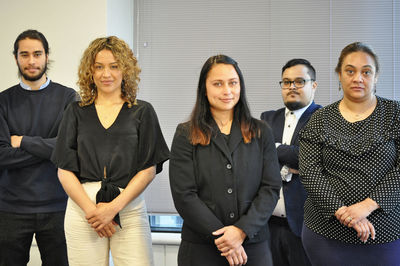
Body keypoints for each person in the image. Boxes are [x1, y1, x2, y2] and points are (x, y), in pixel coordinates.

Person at [51, 36, 169, 266]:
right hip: (83, 209)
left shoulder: (142, 112)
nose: (106, 74)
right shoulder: (75, 111)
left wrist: (113, 208)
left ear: (125, 69)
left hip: (129, 207)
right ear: (90, 71)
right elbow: (64, 170)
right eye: (99, 67)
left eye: (114, 66)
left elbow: (148, 170)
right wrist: (93, 213)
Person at [169, 54, 281, 266]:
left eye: (233, 83)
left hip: (253, 245)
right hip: (201, 248)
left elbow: (270, 188)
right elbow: (184, 195)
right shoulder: (186, 133)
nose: (227, 91)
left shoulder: (261, 131)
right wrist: (224, 238)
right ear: (204, 88)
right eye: (218, 84)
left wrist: (241, 231)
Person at [299, 42, 400, 266]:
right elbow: (309, 172)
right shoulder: (319, 119)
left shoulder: (395, 114)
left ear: (376, 77)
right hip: (325, 234)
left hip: (385, 233)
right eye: (350, 71)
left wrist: (366, 206)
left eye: (366, 71)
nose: (358, 78)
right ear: (339, 75)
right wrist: (343, 212)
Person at [0, 29, 76, 266]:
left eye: (37, 54)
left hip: (58, 206)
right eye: (24, 54)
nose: (31, 61)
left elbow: (68, 151)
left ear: (46, 56)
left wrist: (23, 141)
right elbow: (2, 155)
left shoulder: (68, 98)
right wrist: (49, 149)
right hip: (10, 208)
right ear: (16, 58)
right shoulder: (3, 101)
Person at [260, 58, 321, 266]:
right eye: (286, 82)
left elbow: (313, 158)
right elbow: (256, 160)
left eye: (299, 81)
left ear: (313, 85)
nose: (292, 87)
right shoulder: (267, 119)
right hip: (268, 225)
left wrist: (274, 148)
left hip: (306, 227)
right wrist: (291, 166)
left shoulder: (324, 119)